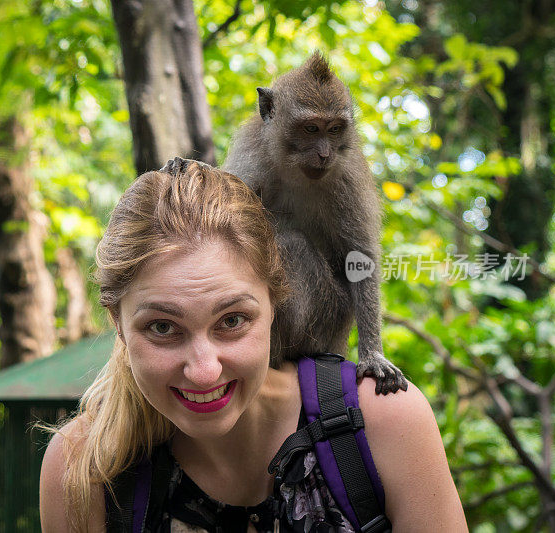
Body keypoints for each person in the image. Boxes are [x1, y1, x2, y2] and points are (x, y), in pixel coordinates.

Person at [39, 163, 467, 532]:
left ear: (277, 303)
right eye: (163, 328)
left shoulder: (382, 424)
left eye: (231, 321)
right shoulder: (83, 471)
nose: (204, 371)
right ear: (117, 323)